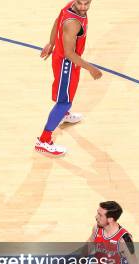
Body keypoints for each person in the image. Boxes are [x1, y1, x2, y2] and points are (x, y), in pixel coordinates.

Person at [35, 0, 102, 157]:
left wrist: (51, 43)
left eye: (87, 4)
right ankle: (44, 141)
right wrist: (91, 69)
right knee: (64, 101)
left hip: (67, 60)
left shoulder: (70, 5)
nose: (83, 7)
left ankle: (63, 115)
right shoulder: (73, 23)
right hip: (68, 63)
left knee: (66, 98)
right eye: (80, 3)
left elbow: (57, 21)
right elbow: (69, 54)